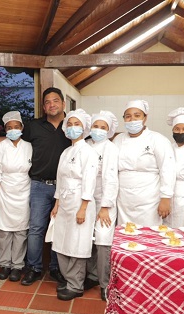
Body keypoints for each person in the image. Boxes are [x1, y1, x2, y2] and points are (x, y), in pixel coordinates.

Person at [21, 87, 70, 286]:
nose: (52, 105)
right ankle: (34, 268)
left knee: (60, 228)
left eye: (56, 101)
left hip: (66, 188)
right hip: (40, 185)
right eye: (48, 102)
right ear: (43, 106)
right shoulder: (34, 126)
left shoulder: (73, 124)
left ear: (63, 103)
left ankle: (57, 269)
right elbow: (14, 143)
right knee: (36, 229)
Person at [51, 109, 99, 301]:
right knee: (62, 241)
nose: (72, 128)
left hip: (81, 202)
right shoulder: (66, 151)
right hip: (64, 203)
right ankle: (68, 279)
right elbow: (59, 179)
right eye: (69, 124)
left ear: (84, 127)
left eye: (76, 124)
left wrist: (83, 207)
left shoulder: (89, 152)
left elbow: (89, 181)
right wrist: (57, 203)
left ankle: (76, 285)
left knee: (77, 243)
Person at [113, 100, 175, 227]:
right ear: (124, 119)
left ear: (145, 118)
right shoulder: (118, 140)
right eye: (128, 116)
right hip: (124, 198)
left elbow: (167, 169)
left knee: (148, 234)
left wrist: (166, 198)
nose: (132, 120)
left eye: (137, 115)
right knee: (126, 233)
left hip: (149, 200)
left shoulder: (158, 139)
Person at [0, 111, 33, 282]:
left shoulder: (29, 146)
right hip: (4, 192)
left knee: (21, 231)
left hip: (24, 191)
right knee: (3, 232)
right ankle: (5, 264)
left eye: (16, 127)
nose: (13, 130)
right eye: (9, 128)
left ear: (22, 128)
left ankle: (17, 266)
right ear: (5, 130)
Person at [85, 110, 119, 301]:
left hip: (105, 201)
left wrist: (105, 206)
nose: (98, 130)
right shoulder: (86, 145)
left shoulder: (110, 148)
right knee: (87, 239)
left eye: (103, 127)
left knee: (103, 241)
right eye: (95, 126)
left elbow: (111, 178)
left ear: (109, 131)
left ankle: (105, 284)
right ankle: (91, 276)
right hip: (86, 200)